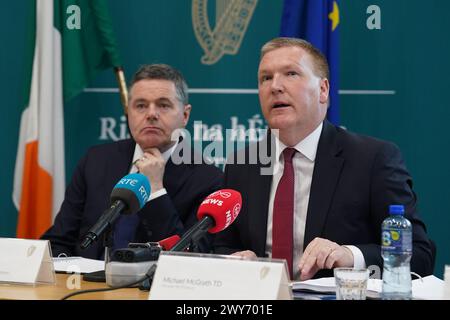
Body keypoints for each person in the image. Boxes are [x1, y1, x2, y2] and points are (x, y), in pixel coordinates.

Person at [213, 37, 434, 280]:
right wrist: (237, 259)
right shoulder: (242, 165)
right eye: (265, 78)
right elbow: (222, 246)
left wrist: (350, 256)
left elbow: (420, 257)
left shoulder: (372, 160)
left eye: (291, 74)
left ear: (323, 90)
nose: (275, 86)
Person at [42, 64, 223, 259]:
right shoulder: (96, 160)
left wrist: (155, 189)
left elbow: (189, 258)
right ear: (129, 112)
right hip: (84, 285)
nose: (151, 114)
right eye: (141, 105)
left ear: (185, 115)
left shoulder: (208, 179)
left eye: (163, 105)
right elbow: (59, 241)